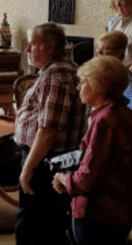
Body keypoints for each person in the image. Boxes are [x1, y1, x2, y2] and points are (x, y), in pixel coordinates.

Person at [52, 56, 132, 245]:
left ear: (99, 84)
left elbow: (87, 179)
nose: (78, 87)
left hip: (103, 212)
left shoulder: (106, 121)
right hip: (126, 206)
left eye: (83, 82)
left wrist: (63, 178)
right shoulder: (127, 114)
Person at [14, 22, 87, 245]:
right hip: (52, 157)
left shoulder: (55, 74)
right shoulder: (63, 68)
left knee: (32, 222)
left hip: (46, 160)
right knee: (50, 221)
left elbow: (48, 130)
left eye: (32, 44)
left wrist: (28, 169)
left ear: (50, 47)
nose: (27, 50)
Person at [96, 30, 132, 123]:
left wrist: (119, 120)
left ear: (118, 52)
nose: (99, 52)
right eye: (98, 48)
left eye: (105, 48)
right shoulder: (107, 72)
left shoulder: (119, 74)